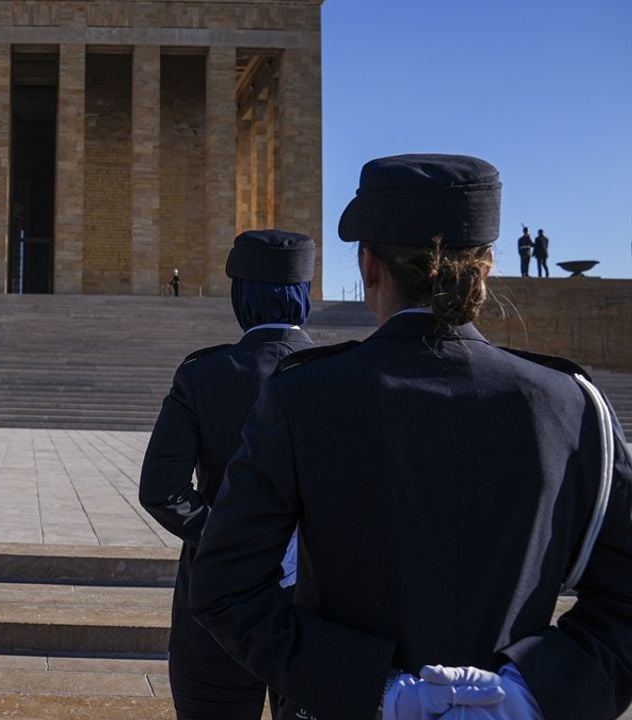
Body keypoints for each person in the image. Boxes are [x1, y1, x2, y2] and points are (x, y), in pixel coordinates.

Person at [190, 154, 632, 720]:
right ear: (488, 266)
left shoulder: (303, 397)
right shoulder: (570, 403)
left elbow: (225, 587)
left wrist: (378, 689)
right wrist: (530, 692)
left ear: (369, 266)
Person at [140, 230, 315, 720]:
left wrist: (234, 539)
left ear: (241, 297)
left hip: (217, 602)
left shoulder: (204, 374)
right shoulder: (341, 376)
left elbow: (162, 489)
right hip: (314, 610)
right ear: (305, 295)